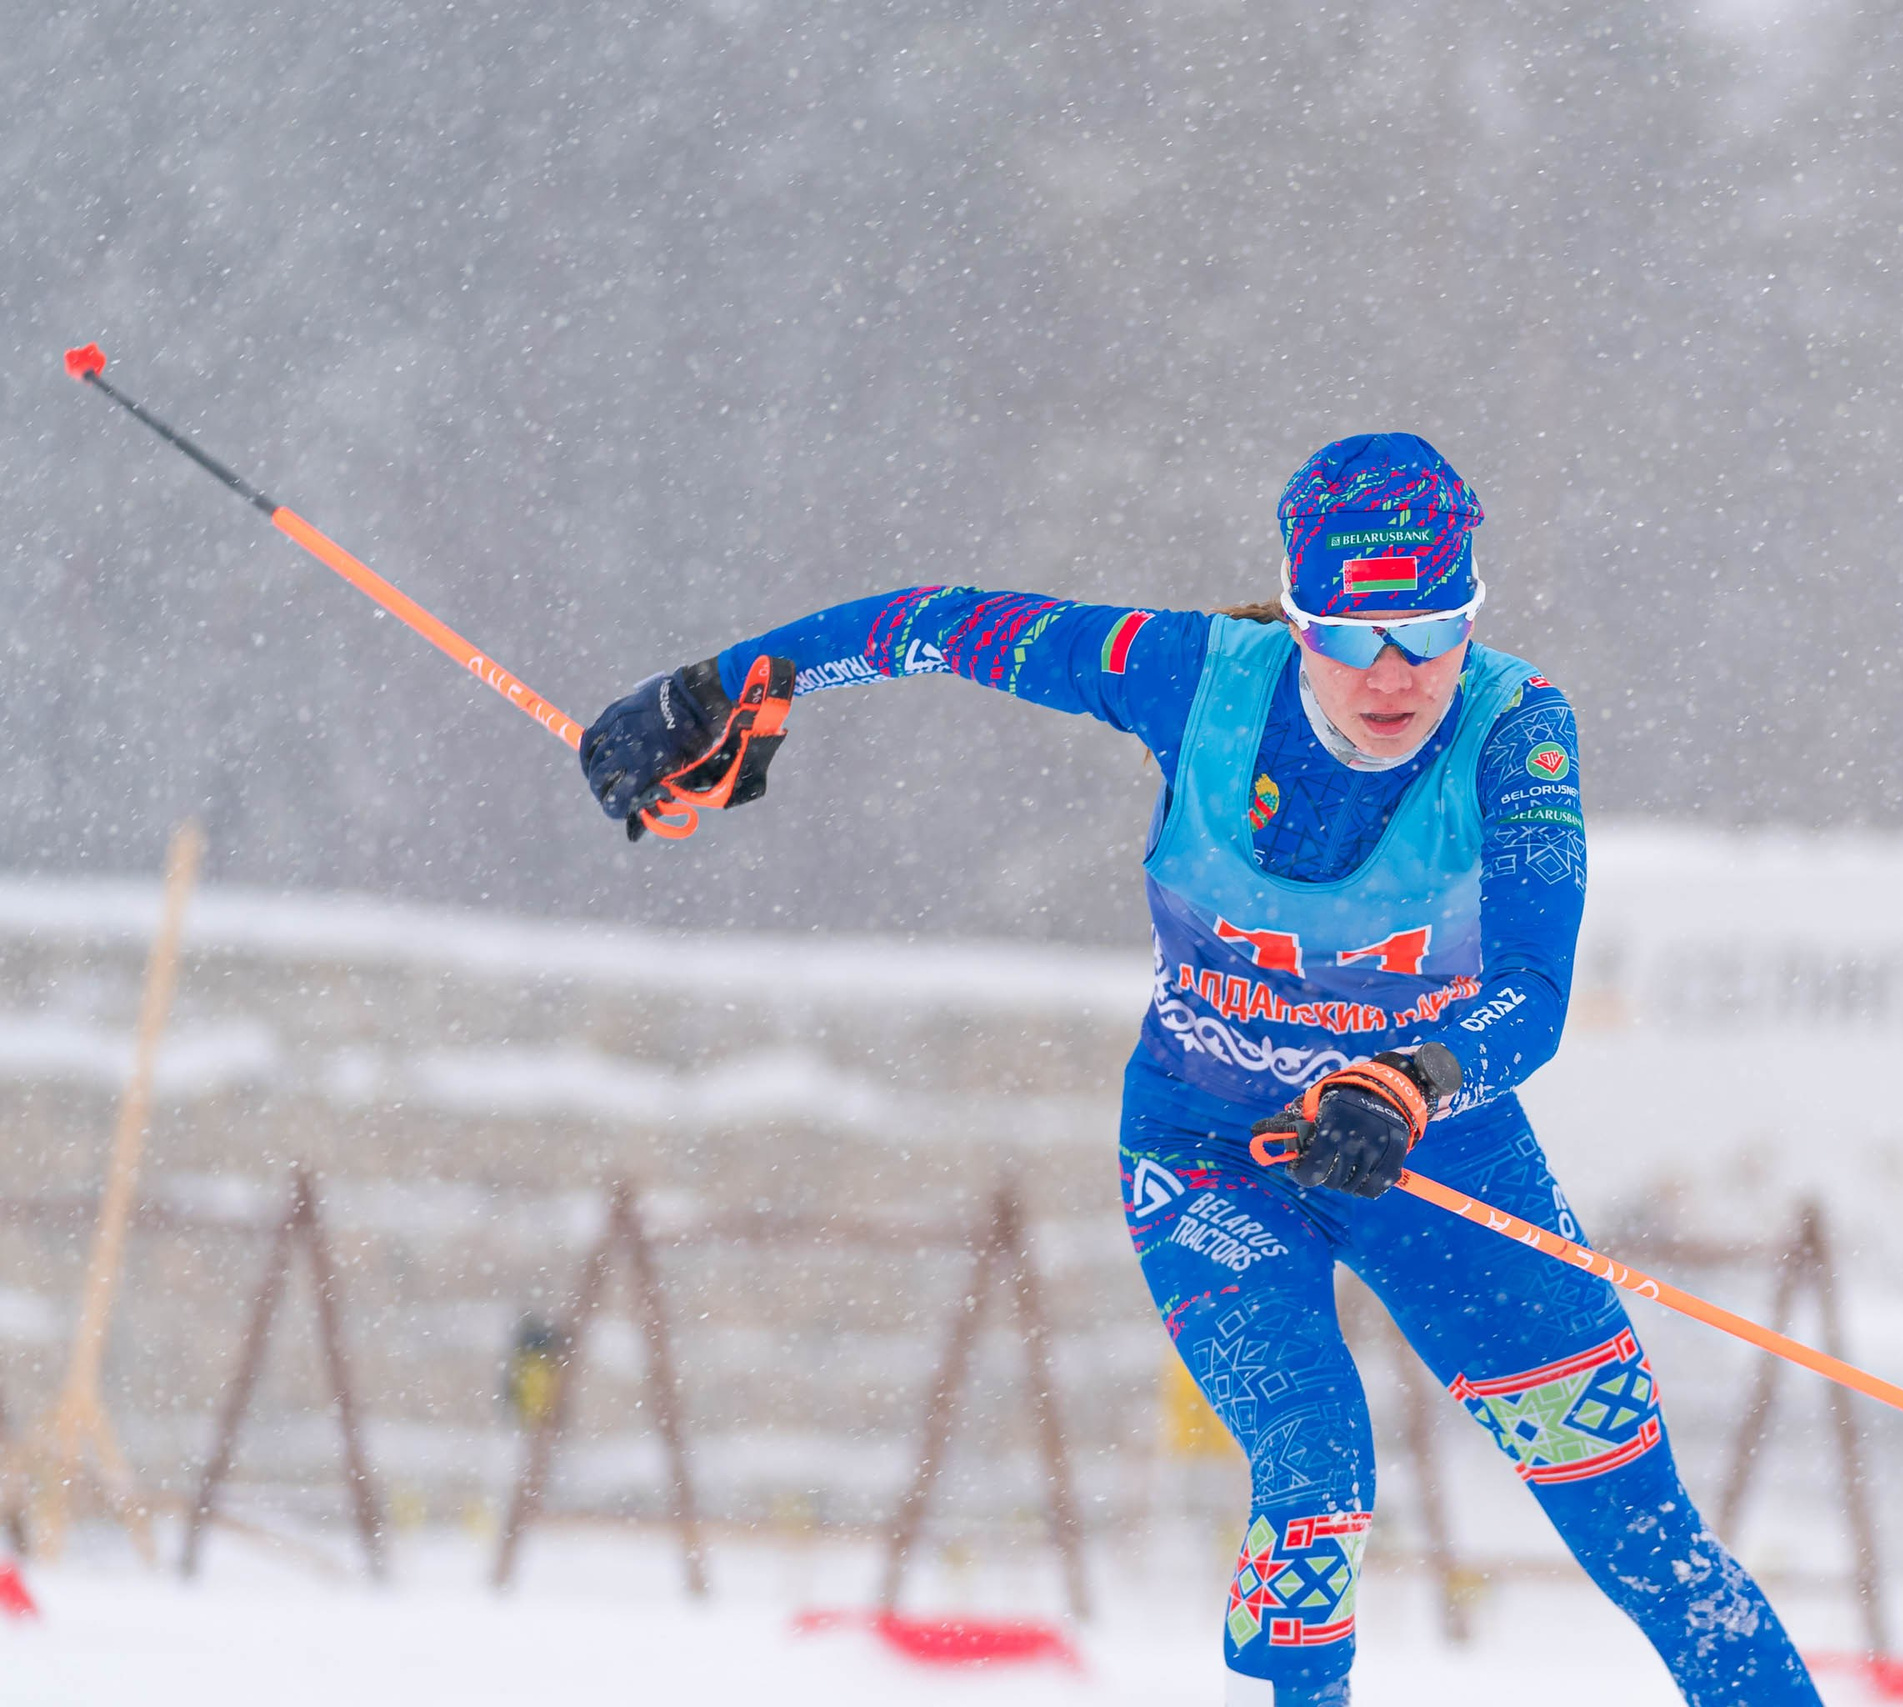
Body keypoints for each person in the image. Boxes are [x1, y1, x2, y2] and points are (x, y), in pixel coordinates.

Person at [579, 434, 1818, 1705]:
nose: (1391, 674)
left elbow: (1536, 995)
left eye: (1429, 629)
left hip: (1439, 1154)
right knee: (1316, 1469)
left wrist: (1407, 1083)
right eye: (1348, 633)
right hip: (1215, 1155)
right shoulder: (1186, 680)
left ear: (1469, 614)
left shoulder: (1516, 731)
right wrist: (726, 682)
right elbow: (936, 626)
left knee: (1643, 1536)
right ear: (1296, 615)